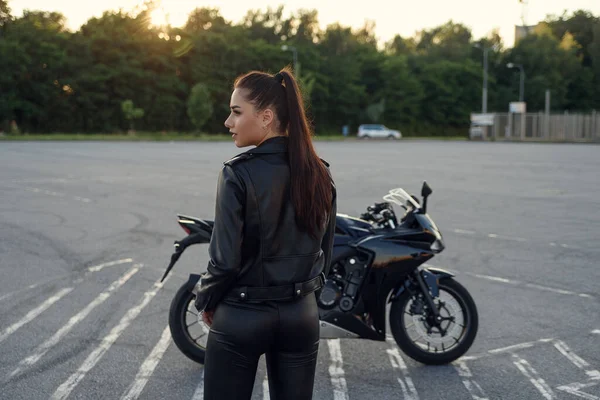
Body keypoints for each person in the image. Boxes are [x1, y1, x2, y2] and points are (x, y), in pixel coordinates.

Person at [194, 67, 337, 400]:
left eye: (236, 112)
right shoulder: (321, 171)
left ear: (267, 117)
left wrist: (205, 299)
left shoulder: (237, 174)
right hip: (301, 315)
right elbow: (325, 254)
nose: (228, 122)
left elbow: (225, 262)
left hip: (242, 315)